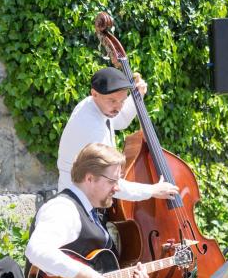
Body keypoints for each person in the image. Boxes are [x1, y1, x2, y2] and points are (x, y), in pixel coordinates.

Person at [17, 143, 161, 278]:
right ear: (90, 178)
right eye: (113, 180)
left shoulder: (91, 212)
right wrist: (88, 274)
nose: (118, 187)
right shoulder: (63, 209)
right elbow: (37, 250)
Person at [57, 66, 179, 200]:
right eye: (112, 100)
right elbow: (111, 183)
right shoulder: (92, 128)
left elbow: (120, 120)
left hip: (88, 195)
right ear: (94, 93)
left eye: (122, 101)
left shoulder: (93, 104)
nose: (119, 107)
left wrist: (138, 95)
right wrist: (153, 190)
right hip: (78, 200)